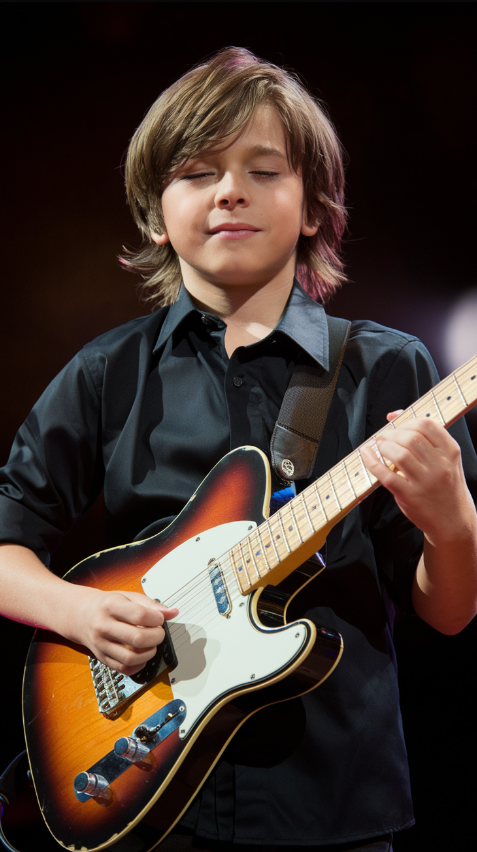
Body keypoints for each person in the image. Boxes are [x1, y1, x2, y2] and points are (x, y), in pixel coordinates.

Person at [1, 48, 476, 852]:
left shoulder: (388, 368)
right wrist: (78, 611)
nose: (229, 191)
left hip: (329, 808)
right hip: (147, 806)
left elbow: (450, 610)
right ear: (155, 215)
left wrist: (452, 522)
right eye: (197, 173)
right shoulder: (106, 373)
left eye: (264, 170)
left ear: (313, 207)